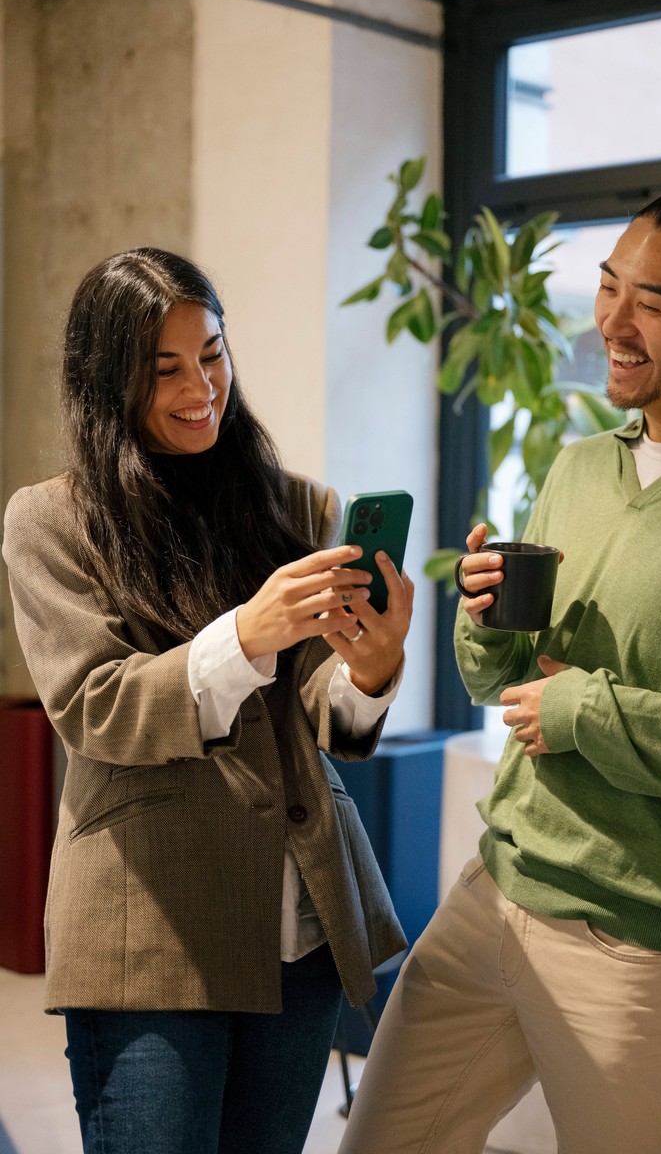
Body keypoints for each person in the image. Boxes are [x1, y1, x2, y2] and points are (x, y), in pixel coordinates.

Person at [336, 188, 661, 1154]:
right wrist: (484, 622)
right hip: (496, 892)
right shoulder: (582, 465)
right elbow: (500, 686)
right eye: (608, 286)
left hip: (643, 944)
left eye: (653, 303)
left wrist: (585, 709)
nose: (612, 324)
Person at [2, 247, 414, 1154]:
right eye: (166, 369)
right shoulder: (50, 521)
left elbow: (323, 715)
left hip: (299, 923)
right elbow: (96, 707)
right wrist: (247, 634)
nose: (202, 388)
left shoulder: (297, 505)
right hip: (149, 928)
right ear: (106, 380)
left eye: (213, 354)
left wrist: (372, 670)